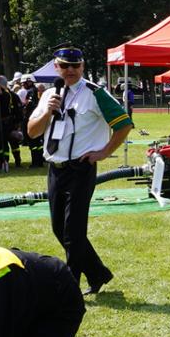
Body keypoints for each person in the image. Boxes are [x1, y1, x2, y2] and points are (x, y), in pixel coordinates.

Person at [26, 45, 132, 294]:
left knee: (73, 232)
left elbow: (124, 124)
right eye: (65, 65)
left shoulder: (95, 93)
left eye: (75, 66)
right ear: (56, 67)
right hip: (56, 168)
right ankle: (98, 273)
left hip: (81, 168)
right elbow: (32, 131)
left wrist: (104, 151)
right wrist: (48, 113)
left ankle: (69, 287)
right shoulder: (48, 94)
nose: (70, 70)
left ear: (83, 67)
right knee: (58, 228)